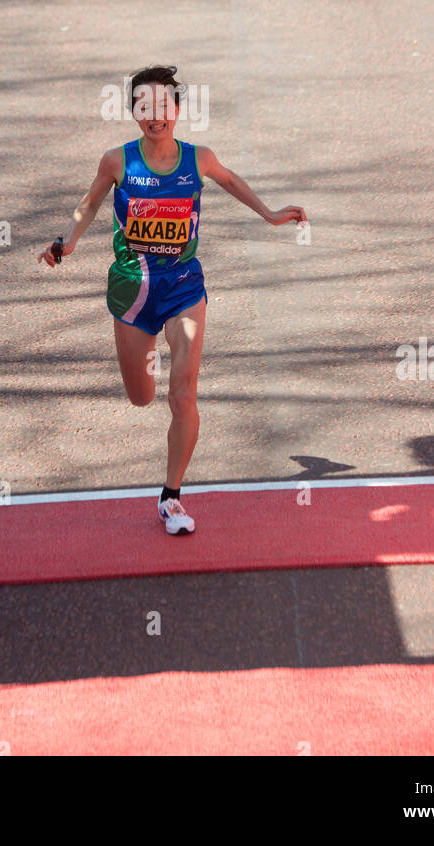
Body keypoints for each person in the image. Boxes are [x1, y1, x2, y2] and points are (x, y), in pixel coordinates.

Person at [39, 65, 307, 534]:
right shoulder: (117, 161)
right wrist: (70, 241)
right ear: (135, 113)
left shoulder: (197, 159)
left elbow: (229, 180)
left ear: (177, 110)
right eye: (144, 106)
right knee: (142, 398)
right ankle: (149, 357)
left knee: (182, 396)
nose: (155, 115)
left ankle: (171, 497)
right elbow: (90, 203)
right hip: (132, 291)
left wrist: (269, 214)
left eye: (163, 106)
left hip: (184, 286)